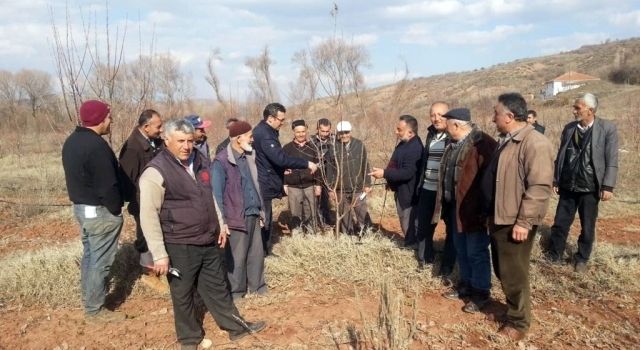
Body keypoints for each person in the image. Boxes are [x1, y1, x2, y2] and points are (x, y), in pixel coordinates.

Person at [139, 119, 265, 349]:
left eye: (190, 141)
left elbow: (211, 196)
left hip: (208, 238)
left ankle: (236, 327)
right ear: (166, 141)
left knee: (218, 287)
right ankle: (189, 339)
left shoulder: (200, 159)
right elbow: (148, 216)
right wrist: (159, 254)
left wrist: (221, 223)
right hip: (179, 243)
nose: (186, 146)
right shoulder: (155, 171)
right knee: (183, 292)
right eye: (180, 141)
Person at [481, 93, 554, 340]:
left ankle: (519, 323)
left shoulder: (535, 143)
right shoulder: (508, 140)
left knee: (514, 272)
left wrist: (523, 222)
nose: (493, 118)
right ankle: (514, 310)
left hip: (515, 220)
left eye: (496, 113)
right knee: (504, 269)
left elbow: (540, 187)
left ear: (510, 116)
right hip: (500, 216)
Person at [61, 100, 125, 322]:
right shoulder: (96, 146)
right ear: (99, 119)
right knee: (100, 261)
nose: (111, 120)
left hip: (82, 209)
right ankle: (94, 310)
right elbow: (108, 185)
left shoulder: (72, 141)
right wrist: (116, 209)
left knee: (90, 257)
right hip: (100, 212)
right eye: (108, 117)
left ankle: (89, 301)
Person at [547, 93, 618, 272]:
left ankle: (581, 259)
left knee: (587, 226)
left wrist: (608, 185)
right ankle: (554, 255)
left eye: (578, 108)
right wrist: (556, 179)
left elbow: (612, 159)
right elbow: (561, 155)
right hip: (568, 185)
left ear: (590, 110)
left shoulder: (607, 128)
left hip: (590, 187)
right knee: (560, 223)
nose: (574, 111)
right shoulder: (569, 128)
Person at [436, 108, 497, 313]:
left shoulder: (483, 144)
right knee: (461, 248)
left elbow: (491, 180)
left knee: (476, 251)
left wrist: (486, 210)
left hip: (475, 210)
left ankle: (481, 292)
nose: (444, 127)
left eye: (447, 124)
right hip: (455, 207)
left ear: (456, 125)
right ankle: (466, 285)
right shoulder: (452, 144)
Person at [211, 121, 268, 300]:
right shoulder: (221, 161)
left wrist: (260, 211)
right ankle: (237, 293)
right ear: (238, 139)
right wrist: (223, 222)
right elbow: (216, 194)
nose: (252, 140)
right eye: (250, 136)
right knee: (237, 257)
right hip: (235, 217)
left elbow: (255, 186)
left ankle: (258, 288)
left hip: (253, 213)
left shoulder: (249, 156)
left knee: (256, 254)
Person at [252, 103, 318, 255]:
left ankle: (264, 250)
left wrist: (281, 169)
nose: (282, 122)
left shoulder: (266, 131)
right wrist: (306, 163)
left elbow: (270, 160)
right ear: (270, 118)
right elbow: (280, 159)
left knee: (265, 218)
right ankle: (264, 252)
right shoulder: (266, 135)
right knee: (265, 219)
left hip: (266, 179)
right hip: (264, 183)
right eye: (281, 119)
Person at [415, 102, 456, 276]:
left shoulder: (454, 136)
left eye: (440, 114)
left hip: (446, 193)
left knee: (451, 230)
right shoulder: (430, 135)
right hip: (427, 189)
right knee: (423, 227)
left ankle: (447, 267)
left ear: (449, 116)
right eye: (433, 115)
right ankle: (425, 260)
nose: (436, 118)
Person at [369, 115, 423, 246]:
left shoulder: (415, 148)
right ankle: (410, 243)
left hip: (409, 196)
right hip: (400, 191)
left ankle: (413, 248)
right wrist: (389, 179)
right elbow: (395, 163)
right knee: (404, 220)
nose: (396, 132)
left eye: (399, 129)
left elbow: (407, 173)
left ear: (410, 132)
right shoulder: (403, 144)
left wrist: (384, 173)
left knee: (408, 222)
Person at [119, 109, 163, 256]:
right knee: (145, 236)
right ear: (146, 127)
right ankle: (146, 270)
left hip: (156, 198)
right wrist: (137, 202)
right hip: (142, 201)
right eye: (158, 127)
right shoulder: (132, 147)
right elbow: (127, 180)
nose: (160, 130)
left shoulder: (155, 142)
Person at [326, 121, 373, 235]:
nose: (344, 135)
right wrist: (331, 189)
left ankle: (366, 234)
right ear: (338, 133)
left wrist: (367, 184)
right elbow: (329, 170)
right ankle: (348, 237)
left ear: (350, 132)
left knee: (361, 212)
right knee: (344, 215)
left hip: (358, 188)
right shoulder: (333, 147)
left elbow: (365, 165)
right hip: (340, 189)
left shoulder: (359, 145)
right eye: (341, 133)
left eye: (346, 132)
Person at [283, 120, 321, 232]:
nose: (301, 134)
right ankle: (297, 236)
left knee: (311, 212)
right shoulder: (287, 148)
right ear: (293, 132)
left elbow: (318, 168)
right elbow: (283, 167)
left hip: (310, 185)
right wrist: (284, 183)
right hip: (293, 186)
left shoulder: (313, 147)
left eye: (303, 131)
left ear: (307, 131)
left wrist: (318, 185)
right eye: (298, 132)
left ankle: (311, 235)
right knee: (295, 213)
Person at [310, 118, 335, 227]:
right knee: (314, 200)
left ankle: (326, 220)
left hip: (330, 174)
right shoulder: (310, 141)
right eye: (322, 131)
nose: (325, 134)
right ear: (317, 129)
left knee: (326, 199)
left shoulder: (334, 140)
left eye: (327, 131)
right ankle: (315, 221)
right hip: (315, 175)